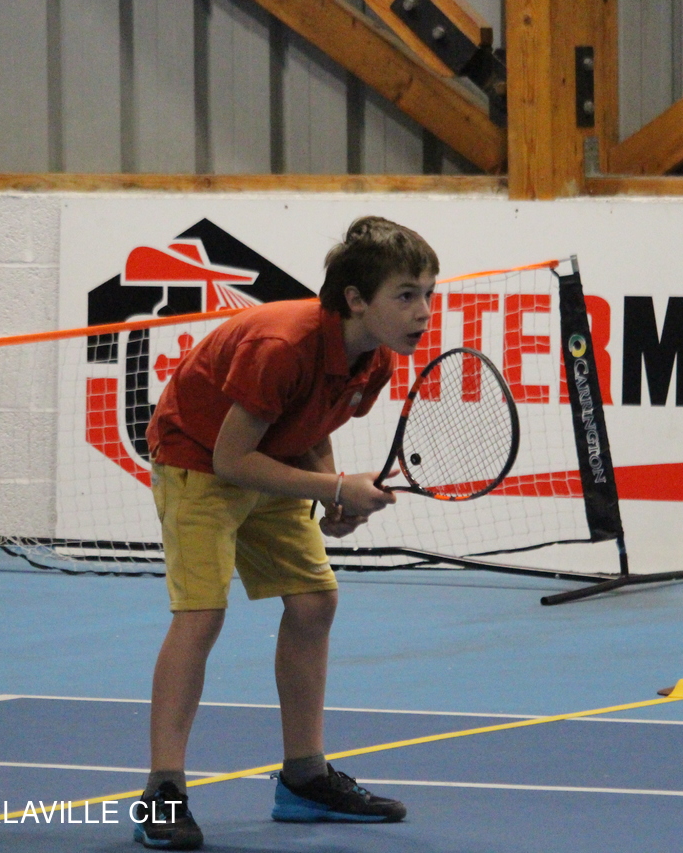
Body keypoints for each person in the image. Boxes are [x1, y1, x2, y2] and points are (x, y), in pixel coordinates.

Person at [134, 216, 439, 850]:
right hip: (197, 457)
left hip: (266, 456)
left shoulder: (374, 359)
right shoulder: (283, 345)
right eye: (407, 295)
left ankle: (304, 778)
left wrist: (332, 493)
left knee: (313, 602)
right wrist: (335, 488)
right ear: (356, 299)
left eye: (428, 294)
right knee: (201, 614)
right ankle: (162, 792)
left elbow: (310, 423)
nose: (423, 311)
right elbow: (230, 461)